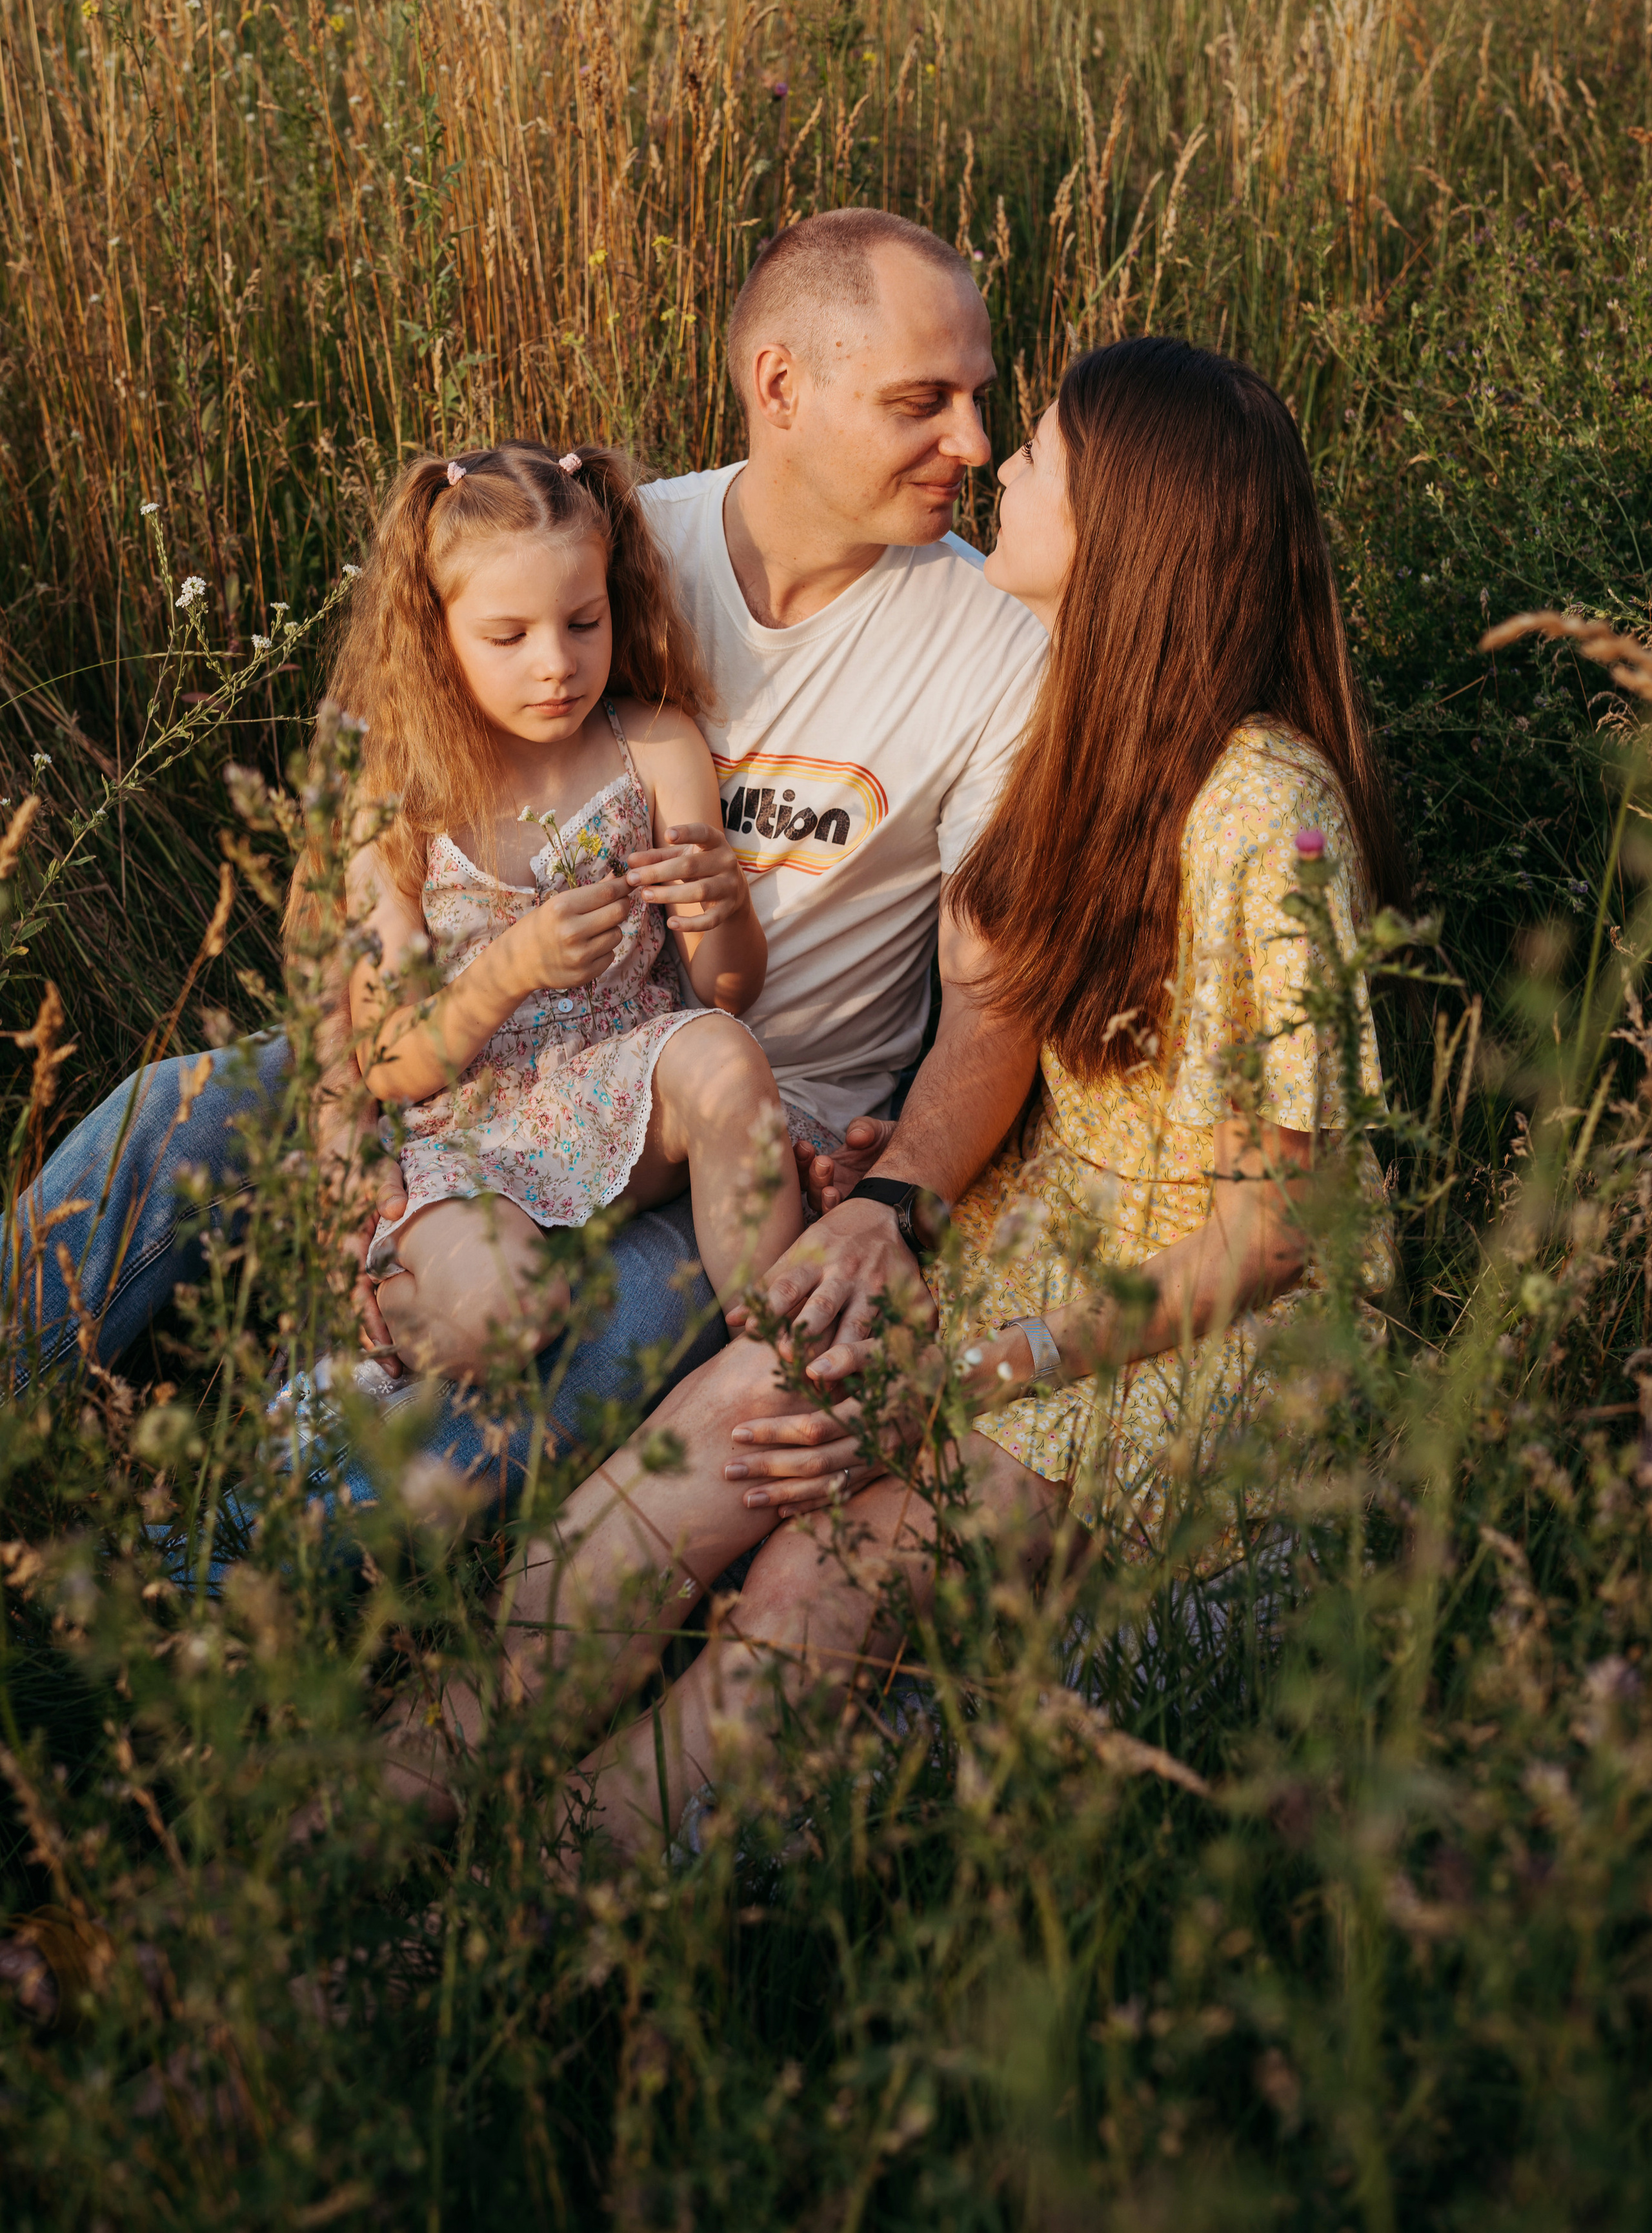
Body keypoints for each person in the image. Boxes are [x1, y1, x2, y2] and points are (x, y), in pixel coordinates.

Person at [478, 336, 1407, 1861]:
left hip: (1195, 1330)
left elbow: (1281, 1229)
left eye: (1034, 452)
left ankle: (477, 1932)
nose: (995, 463)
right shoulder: (1075, 733)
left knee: (803, 1596)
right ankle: (356, 1826)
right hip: (1020, 1243)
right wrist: (896, 1189)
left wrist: (982, 1367)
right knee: (660, 1498)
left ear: (1129, 527)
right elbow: (1020, 1045)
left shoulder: (1265, 809)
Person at [6, 209, 1048, 1486]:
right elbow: (347, 885)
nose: (974, 443)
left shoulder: (998, 643)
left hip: (730, 1127)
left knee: (506, 1407)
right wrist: (349, 1171)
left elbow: (996, 998)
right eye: (920, 401)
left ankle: (185, 1612)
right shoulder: (591, 549)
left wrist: (892, 1204)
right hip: (461, 1062)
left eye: (978, 398)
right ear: (780, 386)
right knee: (173, 1115)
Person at [308, 440, 800, 1380]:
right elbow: (390, 1060)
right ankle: (393, 1306)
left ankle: (773, 1353)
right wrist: (509, 969)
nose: (557, 666)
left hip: (624, 1086)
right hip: (470, 1128)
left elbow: (724, 991)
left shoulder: (653, 744)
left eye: (584, 622)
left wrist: (727, 907)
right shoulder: (403, 800)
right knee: (508, 1317)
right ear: (435, 636)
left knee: (727, 1059)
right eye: (509, 636)